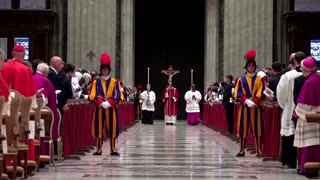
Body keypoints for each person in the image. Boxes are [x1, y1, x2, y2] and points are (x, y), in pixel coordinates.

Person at [1, 45, 43, 162]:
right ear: (23, 55)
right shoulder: (24, 69)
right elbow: (31, 99)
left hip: (4, 112)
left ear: (12, 53)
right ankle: (25, 158)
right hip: (20, 118)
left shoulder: (3, 68)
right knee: (26, 124)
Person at [88, 53, 124, 156]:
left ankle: (113, 148)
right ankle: (98, 149)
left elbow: (119, 95)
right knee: (98, 127)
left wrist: (110, 102)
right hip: (99, 108)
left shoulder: (115, 82)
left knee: (112, 128)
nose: (104, 71)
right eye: (103, 69)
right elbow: (92, 95)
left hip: (111, 108)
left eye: (106, 69)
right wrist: (100, 102)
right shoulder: (96, 82)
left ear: (109, 70)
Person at [233, 49, 266, 157]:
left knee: (258, 128)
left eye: (253, 66)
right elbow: (237, 93)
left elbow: (263, 91)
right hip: (245, 107)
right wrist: (246, 101)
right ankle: (242, 150)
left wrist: (255, 101)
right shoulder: (241, 79)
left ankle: (258, 150)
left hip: (256, 107)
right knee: (242, 128)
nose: (251, 67)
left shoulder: (260, 79)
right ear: (246, 67)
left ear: (255, 67)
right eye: (249, 66)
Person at [277, 51, 306, 168]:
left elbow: (280, 93)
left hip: (290, 108)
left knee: (290, 135)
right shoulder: (310, 74)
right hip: (306, 110)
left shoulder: (288, 75)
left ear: (294, 61)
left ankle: (290, 160)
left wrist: (284, 106)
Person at [294, 57, 320, 176]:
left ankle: (307, 168)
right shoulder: (316, 78)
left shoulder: (309, 82)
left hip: (308, 118)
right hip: (316, 116)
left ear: (305, 69)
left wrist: (296, 112)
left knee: (308, 145)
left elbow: (304, 104)